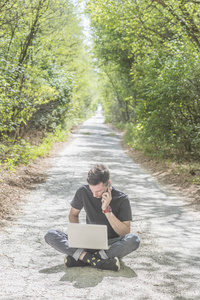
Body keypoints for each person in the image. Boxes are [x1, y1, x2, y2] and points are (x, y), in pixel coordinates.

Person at [44, 164, 140, 271]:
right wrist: (78, 236)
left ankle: (82, 258)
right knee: (50, 235)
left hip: (111, 245)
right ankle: (99, 261)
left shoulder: (122, 199)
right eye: (92, 190)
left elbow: (125, 232)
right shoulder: (83, 191)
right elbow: (73, 214)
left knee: (134, 240)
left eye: (98, 191)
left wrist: (107, 210)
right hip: (88, 242)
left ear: (108, 184)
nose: (94, 195)